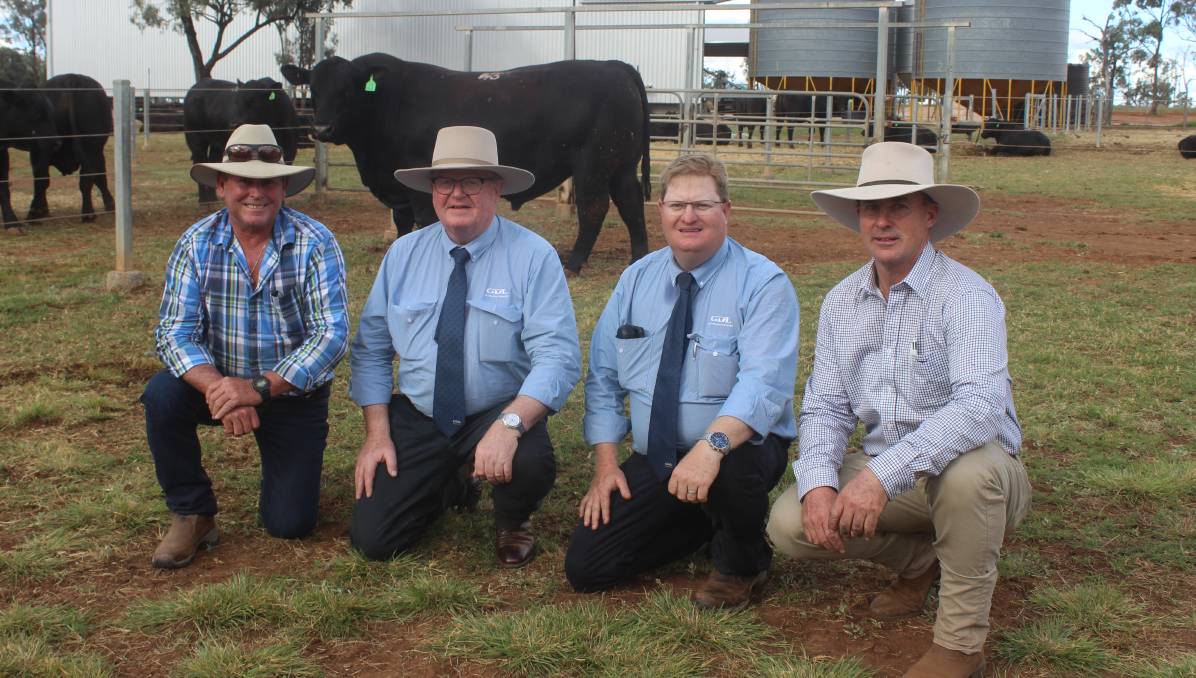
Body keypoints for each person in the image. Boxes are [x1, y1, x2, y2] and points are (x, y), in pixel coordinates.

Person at [766, 142, 1031, 678]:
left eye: (899, 207)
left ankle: (960, 646)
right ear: (858, 218)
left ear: (930, 216)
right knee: (790, 523)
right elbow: (825, 404)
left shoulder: (967, 295)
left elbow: (982, 406)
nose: (882, 221)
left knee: (968, 476)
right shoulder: (842, 300)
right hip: (893, 474)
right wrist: (819, 482)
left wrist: (879, 477)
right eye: (870, 208)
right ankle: (921, 562)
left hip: (977, 471)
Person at [564, 153, 799, 610]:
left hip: (736, 450)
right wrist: (607, 465)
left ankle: (742, 563)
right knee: (588, 568)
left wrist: (710, 448)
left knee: (733, 472)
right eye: (677, 206)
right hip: (659, 455)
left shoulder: (763, 283)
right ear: (661, 211)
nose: (688, 217)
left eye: (703, 206)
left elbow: (763, 384)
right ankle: (705, 521)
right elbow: (605, 378)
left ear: (726, 211)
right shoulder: (635, 280)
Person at [348, 126, 580, 568]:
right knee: (373, 541)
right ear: (432, 191)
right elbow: (372, 347)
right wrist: (377, 434)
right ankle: (449, 480)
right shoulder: (403, 254)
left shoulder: (534, 256)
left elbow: (559, 357)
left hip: (494, 409)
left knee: (528, 458)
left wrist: (509, 424)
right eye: (444, 182)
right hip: (421, 414)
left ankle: (512, 519)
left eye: (471, 181)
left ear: (496, 189)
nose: (457, 193)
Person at [142, 124, 349, 569]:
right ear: (222, 186)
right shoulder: (195, 242)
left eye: (267, 182)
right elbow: (175, 332)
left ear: (283, 188)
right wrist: (224, 390)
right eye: (243, 182)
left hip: (291, 393)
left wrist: (256, 389)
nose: (256, 193)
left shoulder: (316, 242)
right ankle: (192, 511)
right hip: (217, 389)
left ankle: (281, 482)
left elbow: (330, 335)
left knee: (289, 524)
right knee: (162, 394)